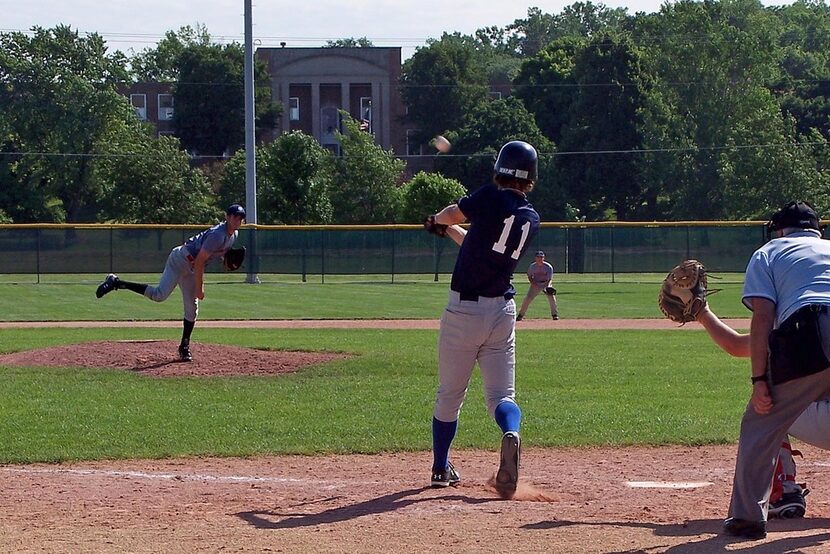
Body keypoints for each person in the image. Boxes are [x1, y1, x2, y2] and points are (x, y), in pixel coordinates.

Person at [425, 140, 541, 497]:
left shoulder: (490, 197)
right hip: (501, 312)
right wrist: (447, 231)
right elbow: (475, 240)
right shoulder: (529, 218)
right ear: (531, 178)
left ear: (500, 169)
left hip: (463, 310)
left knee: (450, 396)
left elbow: (453, 212)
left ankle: (441, 467)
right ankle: (511, 433)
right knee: (501, 395)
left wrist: (436, 221)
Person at [723, 200, 830, 540]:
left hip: (811, 331)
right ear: (818, 230)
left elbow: (763, 319)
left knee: (761, 420)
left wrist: (759, 381)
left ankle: (748, 519)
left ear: (779, 230)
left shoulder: (769, 252)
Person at [695, 306, 819, 519]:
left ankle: (783, 493)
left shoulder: (805, 323)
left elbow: (735, 345)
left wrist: (702, 313)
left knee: (768, 404)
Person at [95, 204, 247, 362]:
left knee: (192, 309)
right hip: (180, 260)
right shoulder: (218, 234)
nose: (237, 220)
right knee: (159, 295)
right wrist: (200, 286)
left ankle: (184, 346)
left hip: (191, 268)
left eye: (240, 218)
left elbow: (216, 254)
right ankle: (116, 282)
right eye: (234, 216)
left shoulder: (233, 235)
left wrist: (227, 260)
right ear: (227, 217)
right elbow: (201, 260)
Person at [516, 250, 558, 321]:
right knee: (528, 298)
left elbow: (549, 279)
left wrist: (547, 286)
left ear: (544, 258)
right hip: (535, 283)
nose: (540, 258)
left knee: (551, 298)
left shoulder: (548, 267)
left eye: (541, 257)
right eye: (538, 257)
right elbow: (529, 276)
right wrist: (533, 283)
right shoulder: (532, 266)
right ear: (535, 258)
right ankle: (520, 315)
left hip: (546, 283)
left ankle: (555, 315)